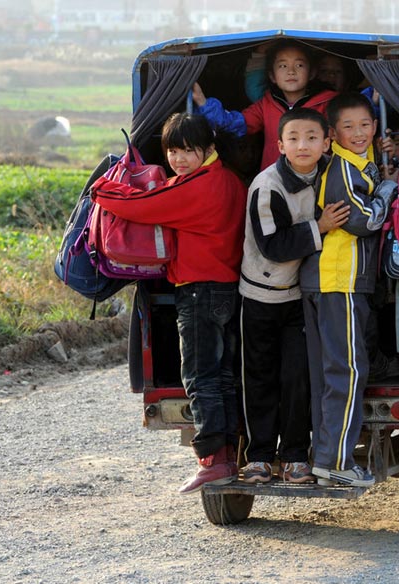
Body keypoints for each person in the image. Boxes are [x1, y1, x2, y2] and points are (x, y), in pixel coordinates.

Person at [90, 113, 247, 494]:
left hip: (199, 290)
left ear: (209, 149)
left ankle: (212, 459)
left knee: (198, 375)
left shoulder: (199, 186)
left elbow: (144, 205)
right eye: (172, 151)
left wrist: (101, 189)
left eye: (188, 151)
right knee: (223, 375)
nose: (178, 159)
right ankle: (229, 452)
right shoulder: (229, 180)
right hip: (227, 287)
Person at [237, 108, 351, 485]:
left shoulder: (332, 173)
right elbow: (273, 245)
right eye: (294, 138)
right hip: (261, 296)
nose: (304, 145)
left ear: (327, 141)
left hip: (300, 297)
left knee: (298, 377)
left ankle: (295, 457)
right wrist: (318, 226)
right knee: (260, 377)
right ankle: (259, 456)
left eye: (312, 137)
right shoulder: (267, 186)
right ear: (280, 144)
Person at [299, 93, 398, 488]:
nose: (358, 133)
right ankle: (336, 460)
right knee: (347, 371)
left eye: (365, 125)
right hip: (338, 280)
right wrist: (387, 193)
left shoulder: (361, 163)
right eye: (348, 127)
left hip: (330, 281)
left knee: (330, 373)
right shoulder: (341, 169)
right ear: (332, 134)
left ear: (375, 127)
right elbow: (363, 220)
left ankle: (325, 457)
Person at [193, 40, 337, 171]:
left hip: (319, 181)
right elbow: (233, 124)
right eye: (282, 65)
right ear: (272, 76)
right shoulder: (266, 104)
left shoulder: (329, 103)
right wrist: (202, 102)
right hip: (275, 181)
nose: (291, 71)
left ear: (312, 73)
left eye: (299, 65)